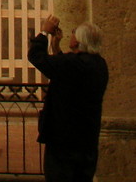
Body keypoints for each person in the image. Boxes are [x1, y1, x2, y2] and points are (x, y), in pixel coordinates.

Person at [27, 15, 109, 182]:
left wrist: (44, 32)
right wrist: (56, 47)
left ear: (79, 41)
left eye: (74, 32)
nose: (71, 35)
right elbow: (67, 74)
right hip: (86, 138)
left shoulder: (73, 64)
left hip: (63, 140)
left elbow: (36, 56)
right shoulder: (99, 64)